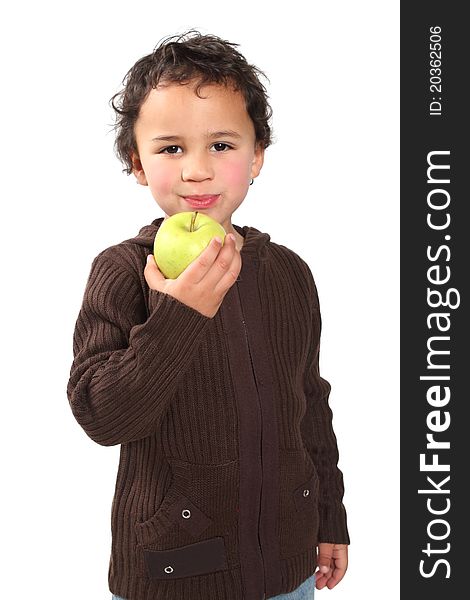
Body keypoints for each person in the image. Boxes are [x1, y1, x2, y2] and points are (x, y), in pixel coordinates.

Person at [67, 29, 350, 600]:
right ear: (138, 164)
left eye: (221, 145)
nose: (197, 169)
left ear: (257, 156)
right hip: (175, 572)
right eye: (171, 148)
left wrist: (329, 518)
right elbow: (102, 417)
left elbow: (310, 401)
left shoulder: (289, 272)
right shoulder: (123, 271)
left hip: (289, 570)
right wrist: (179, 315)